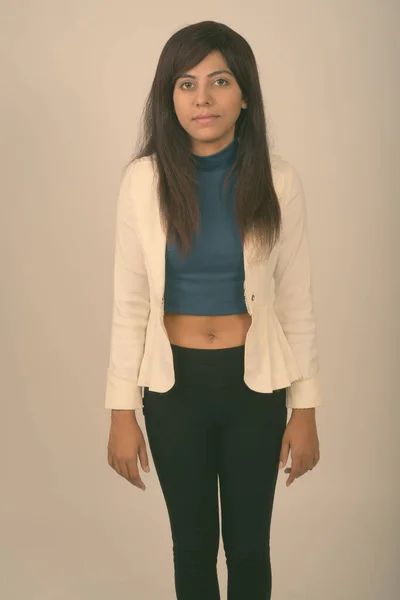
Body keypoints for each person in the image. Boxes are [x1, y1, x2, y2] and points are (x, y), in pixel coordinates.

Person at [105, 20, 322, 600]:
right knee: (193, 547)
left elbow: (296, 303)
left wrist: (305, 407)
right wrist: (121, 411)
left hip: (255, 387)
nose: (202, 98)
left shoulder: (279, 182)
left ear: (244, 93)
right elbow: (129, 306)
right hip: (172, 388)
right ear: (168, 97)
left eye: (219, 81)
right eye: (186, 83)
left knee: (250, 548)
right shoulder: (143, 182)